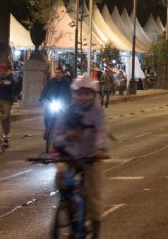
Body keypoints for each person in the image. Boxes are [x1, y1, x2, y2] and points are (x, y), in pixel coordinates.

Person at [52, 75, 109, 237]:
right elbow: (56, 136)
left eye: (86, 93)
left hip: (92, 157)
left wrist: (100, 149)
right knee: (60, 176)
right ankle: (67, 205)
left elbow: (101, 132)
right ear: (73, 94)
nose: (82, 97)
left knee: (93, 197)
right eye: (78, 93)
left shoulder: (97, 111)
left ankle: (95, 231)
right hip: (70, 155)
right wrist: (66, 138)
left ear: (93, 95)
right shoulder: (67, 111)